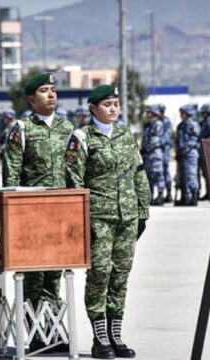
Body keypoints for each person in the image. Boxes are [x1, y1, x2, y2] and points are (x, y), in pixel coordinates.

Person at [65, 85, 150, 359]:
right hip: (98, 218)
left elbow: (138, 173)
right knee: (100, 274)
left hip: (127, 217)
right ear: (93, 108)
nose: (113, 109)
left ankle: (116, 334)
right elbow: (74, 182)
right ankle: (99, 337)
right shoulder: (81, 138)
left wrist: (143, 210)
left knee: (120, 275)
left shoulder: (126, 135)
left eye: (116, 103)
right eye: (107, 104)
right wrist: (81, 220)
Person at [2, 73, 74, 353]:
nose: (51, 95)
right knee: (33, 277)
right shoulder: (22, 128)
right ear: (32, 98)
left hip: (61, 213)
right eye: (45, 90)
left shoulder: (67, 128)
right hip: (31, 214)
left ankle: (52, 330)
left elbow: (74, 170)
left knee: (54, 276)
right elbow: (12, 172)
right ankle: (31, 333)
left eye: (54, 90)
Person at [175, 105, 201, 206]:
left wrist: (184, 150)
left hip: (190, 154)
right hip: (182, 155)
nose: (182, 115)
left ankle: (194, 196)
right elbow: (177, 140)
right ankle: (185, 196)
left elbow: (194, 140)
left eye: (183, 113)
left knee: (191, 175)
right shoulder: (180, 126)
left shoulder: (193, 125)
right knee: (183, 176)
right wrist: (178, 152)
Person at [141, 105, 165, 205]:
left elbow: (156, 140)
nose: (147, 114)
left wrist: (146, 148)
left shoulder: (158, 124)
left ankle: (160, 196)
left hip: (155, 154)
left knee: (158, 175)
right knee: (149, 176)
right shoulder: (148, 125)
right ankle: (150, 196)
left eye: (149, 112)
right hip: (148, 155)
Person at [156, 104, 173, 203]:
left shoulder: (166, 121)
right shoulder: (158, 121)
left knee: (165, 171)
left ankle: (169, 193)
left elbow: (166, 137)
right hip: (160, 150)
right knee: (161, 173)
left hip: (164, 150)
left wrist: (157, 143)